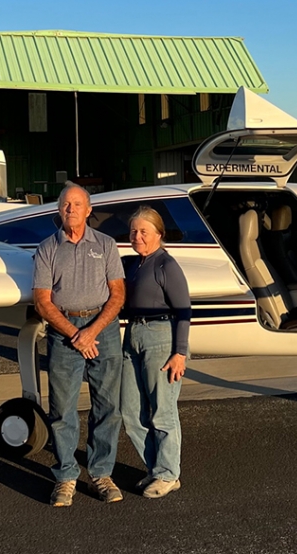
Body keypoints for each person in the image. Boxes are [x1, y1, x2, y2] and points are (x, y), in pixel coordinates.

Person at [32, 184, 126, 508]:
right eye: (65, 204)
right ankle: (66, 477)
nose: (71, 209)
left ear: (88, 210)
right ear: (58, 210)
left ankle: (101, 473)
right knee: (62, 410)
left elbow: (118, 294)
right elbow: (43, 302)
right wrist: (76, 334)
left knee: (108, 407)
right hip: (64, 334)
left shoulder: (106, 245)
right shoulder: (47, 249)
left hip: (105, 330)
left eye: (77, 204)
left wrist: (92, 331)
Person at [120, 206, 191, 499]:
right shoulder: (131, 264)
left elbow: (184, 311)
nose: (137, 236)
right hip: (132, 334)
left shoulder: (166, 266)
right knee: (129, 409)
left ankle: (168, 474)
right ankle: (155, 467)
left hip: (161, 337)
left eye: (144, 231)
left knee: (162, 411)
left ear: (159, 234)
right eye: (134, 231)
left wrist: (180, 353)